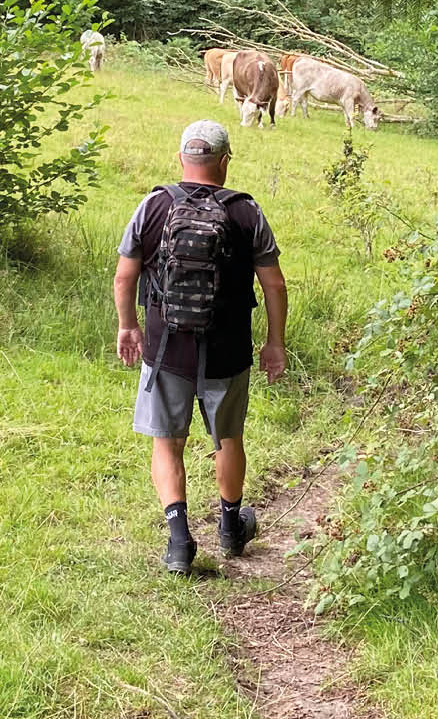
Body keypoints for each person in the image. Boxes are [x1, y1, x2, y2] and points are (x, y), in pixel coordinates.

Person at [113, 119, 288, 575]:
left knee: (167, 442)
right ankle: (230, 528)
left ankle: (178, 543)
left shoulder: (153, 206)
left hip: (165, 350)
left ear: (181, 159)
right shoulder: (245, 212)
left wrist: (129, 326)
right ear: (224, 161)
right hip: (228, 352)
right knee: (227, 438)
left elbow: (125, 276)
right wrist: (275, 342)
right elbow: (273, 284)